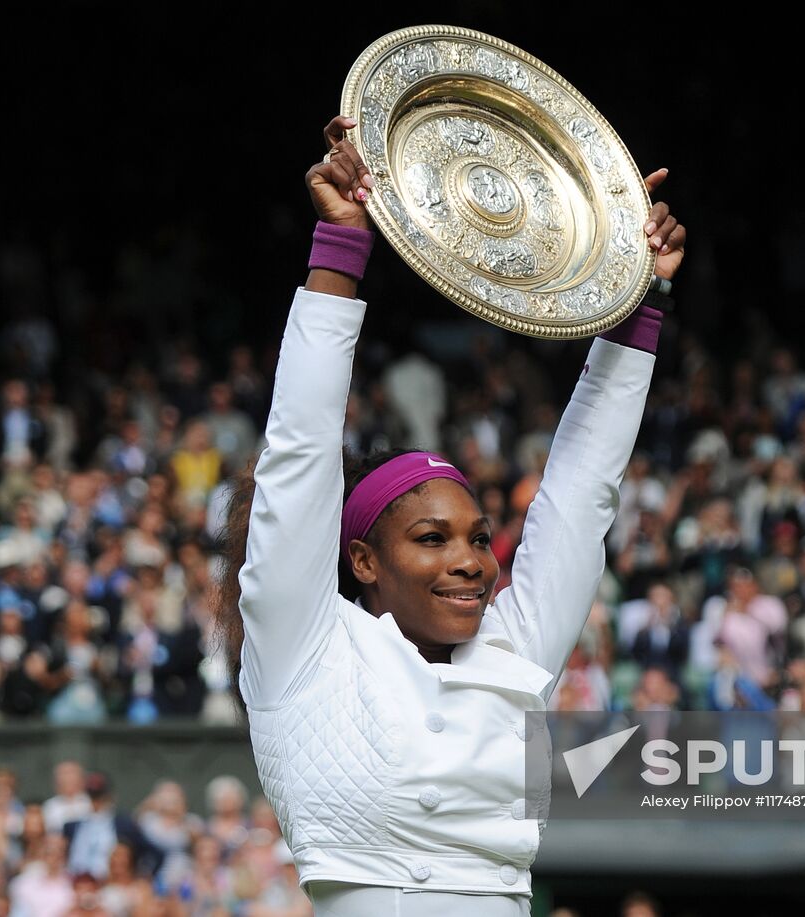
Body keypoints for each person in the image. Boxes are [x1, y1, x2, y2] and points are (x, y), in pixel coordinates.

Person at [218, 116, 684, 915]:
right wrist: (339, 251)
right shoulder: (303, 644)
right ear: (363, 560)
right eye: (430, 539)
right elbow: (298, 454)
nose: (471, 559)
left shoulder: (515, 649)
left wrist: (636, 301)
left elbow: (581, 496)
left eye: (475, 536)